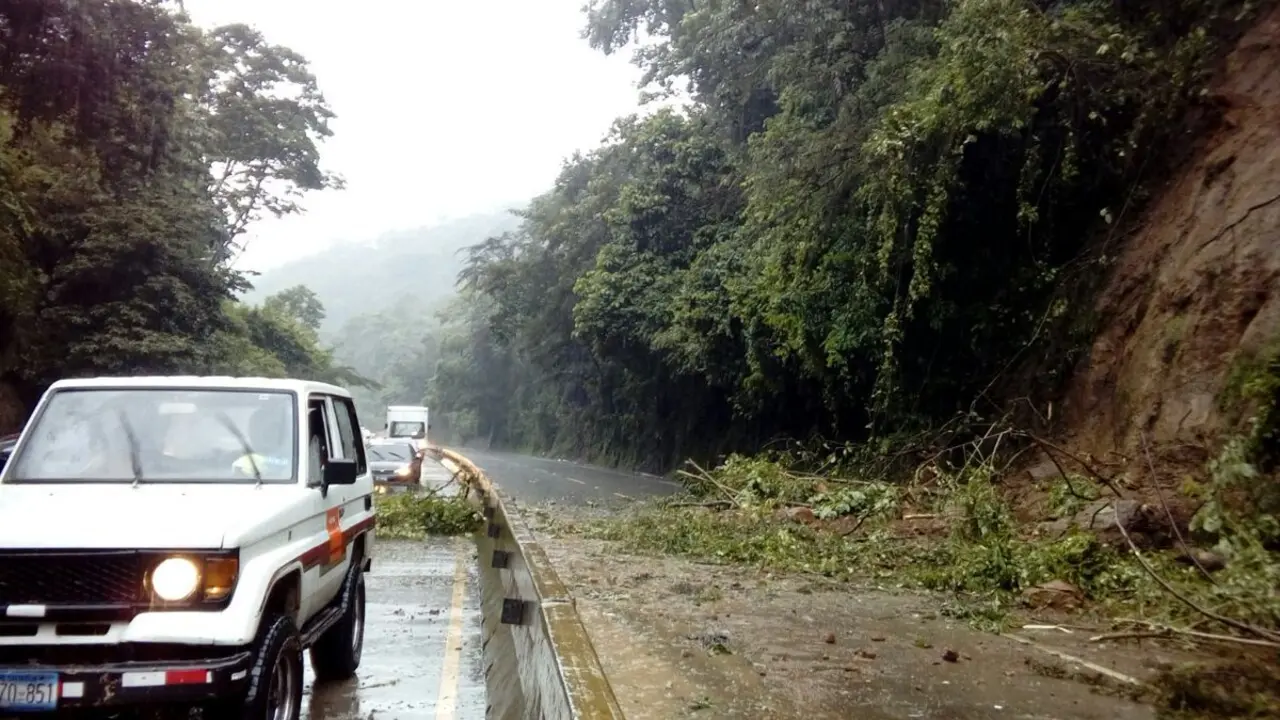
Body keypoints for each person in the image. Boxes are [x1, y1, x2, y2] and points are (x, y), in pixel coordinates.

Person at [231, 405, 293, 480]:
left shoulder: (296, 456)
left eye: (274, 427)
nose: (271, 433)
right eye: (257, 428)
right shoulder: (244, 462)